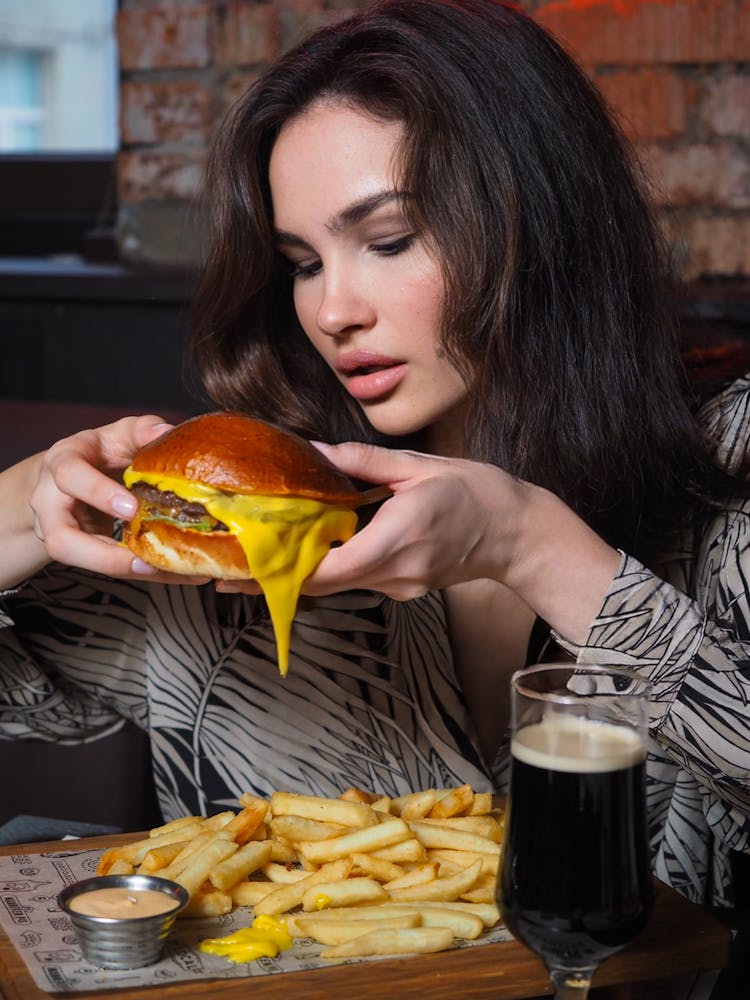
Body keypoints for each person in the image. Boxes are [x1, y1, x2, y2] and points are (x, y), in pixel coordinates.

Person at [0, 0, 749, 916]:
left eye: (389, 241)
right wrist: (23, 498)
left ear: (543, 221)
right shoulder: (231, 532)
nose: (332, 311)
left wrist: (532, 546)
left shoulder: (730, 467)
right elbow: (24, 699)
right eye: (303, 263)